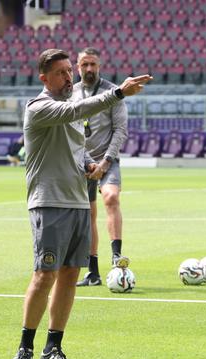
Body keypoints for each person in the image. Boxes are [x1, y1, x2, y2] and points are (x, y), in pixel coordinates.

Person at [8, 49, 151, 359]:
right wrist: (117, 93)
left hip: (76, 202)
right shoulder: (39, 107)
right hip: (49, 202)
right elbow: (77, 109)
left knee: (71, 276)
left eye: (69, 71)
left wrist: (87, 163)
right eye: (61, 72)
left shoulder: (70, 115)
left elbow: (75, 149)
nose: (68, 77)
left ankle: (53, 348)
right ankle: (25, 347)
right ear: (44, 78)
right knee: (44, 276)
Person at [72, 47, 130, 287]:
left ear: (99, 66)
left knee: (111, 197)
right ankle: (93, 271)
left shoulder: (112, 92)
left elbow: (120, 130)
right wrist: (89, 161)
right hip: (82, 162)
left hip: (108, 159)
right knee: (88, 216)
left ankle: (117, 256)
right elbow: (72, 131)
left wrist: (105, 161)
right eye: (84, 64)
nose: (89, 69)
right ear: (77, 67)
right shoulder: (72, 94)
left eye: (93, 64)